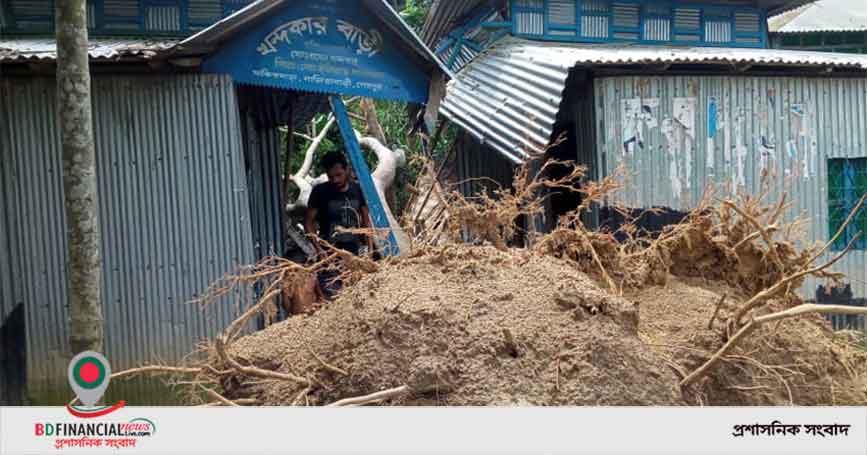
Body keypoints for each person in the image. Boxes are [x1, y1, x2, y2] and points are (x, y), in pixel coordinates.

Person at [304, 151, 374, 296]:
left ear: (347, 170)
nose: (335, 180)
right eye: (331, 177)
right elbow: (308, 222)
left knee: (356, 296)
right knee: (334, 299)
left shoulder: (357, 190)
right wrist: (319, 250)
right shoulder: (319, 192)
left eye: (339, 175)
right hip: (329, 258)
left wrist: (370, 251)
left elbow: (366, 222)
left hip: (353, 256)